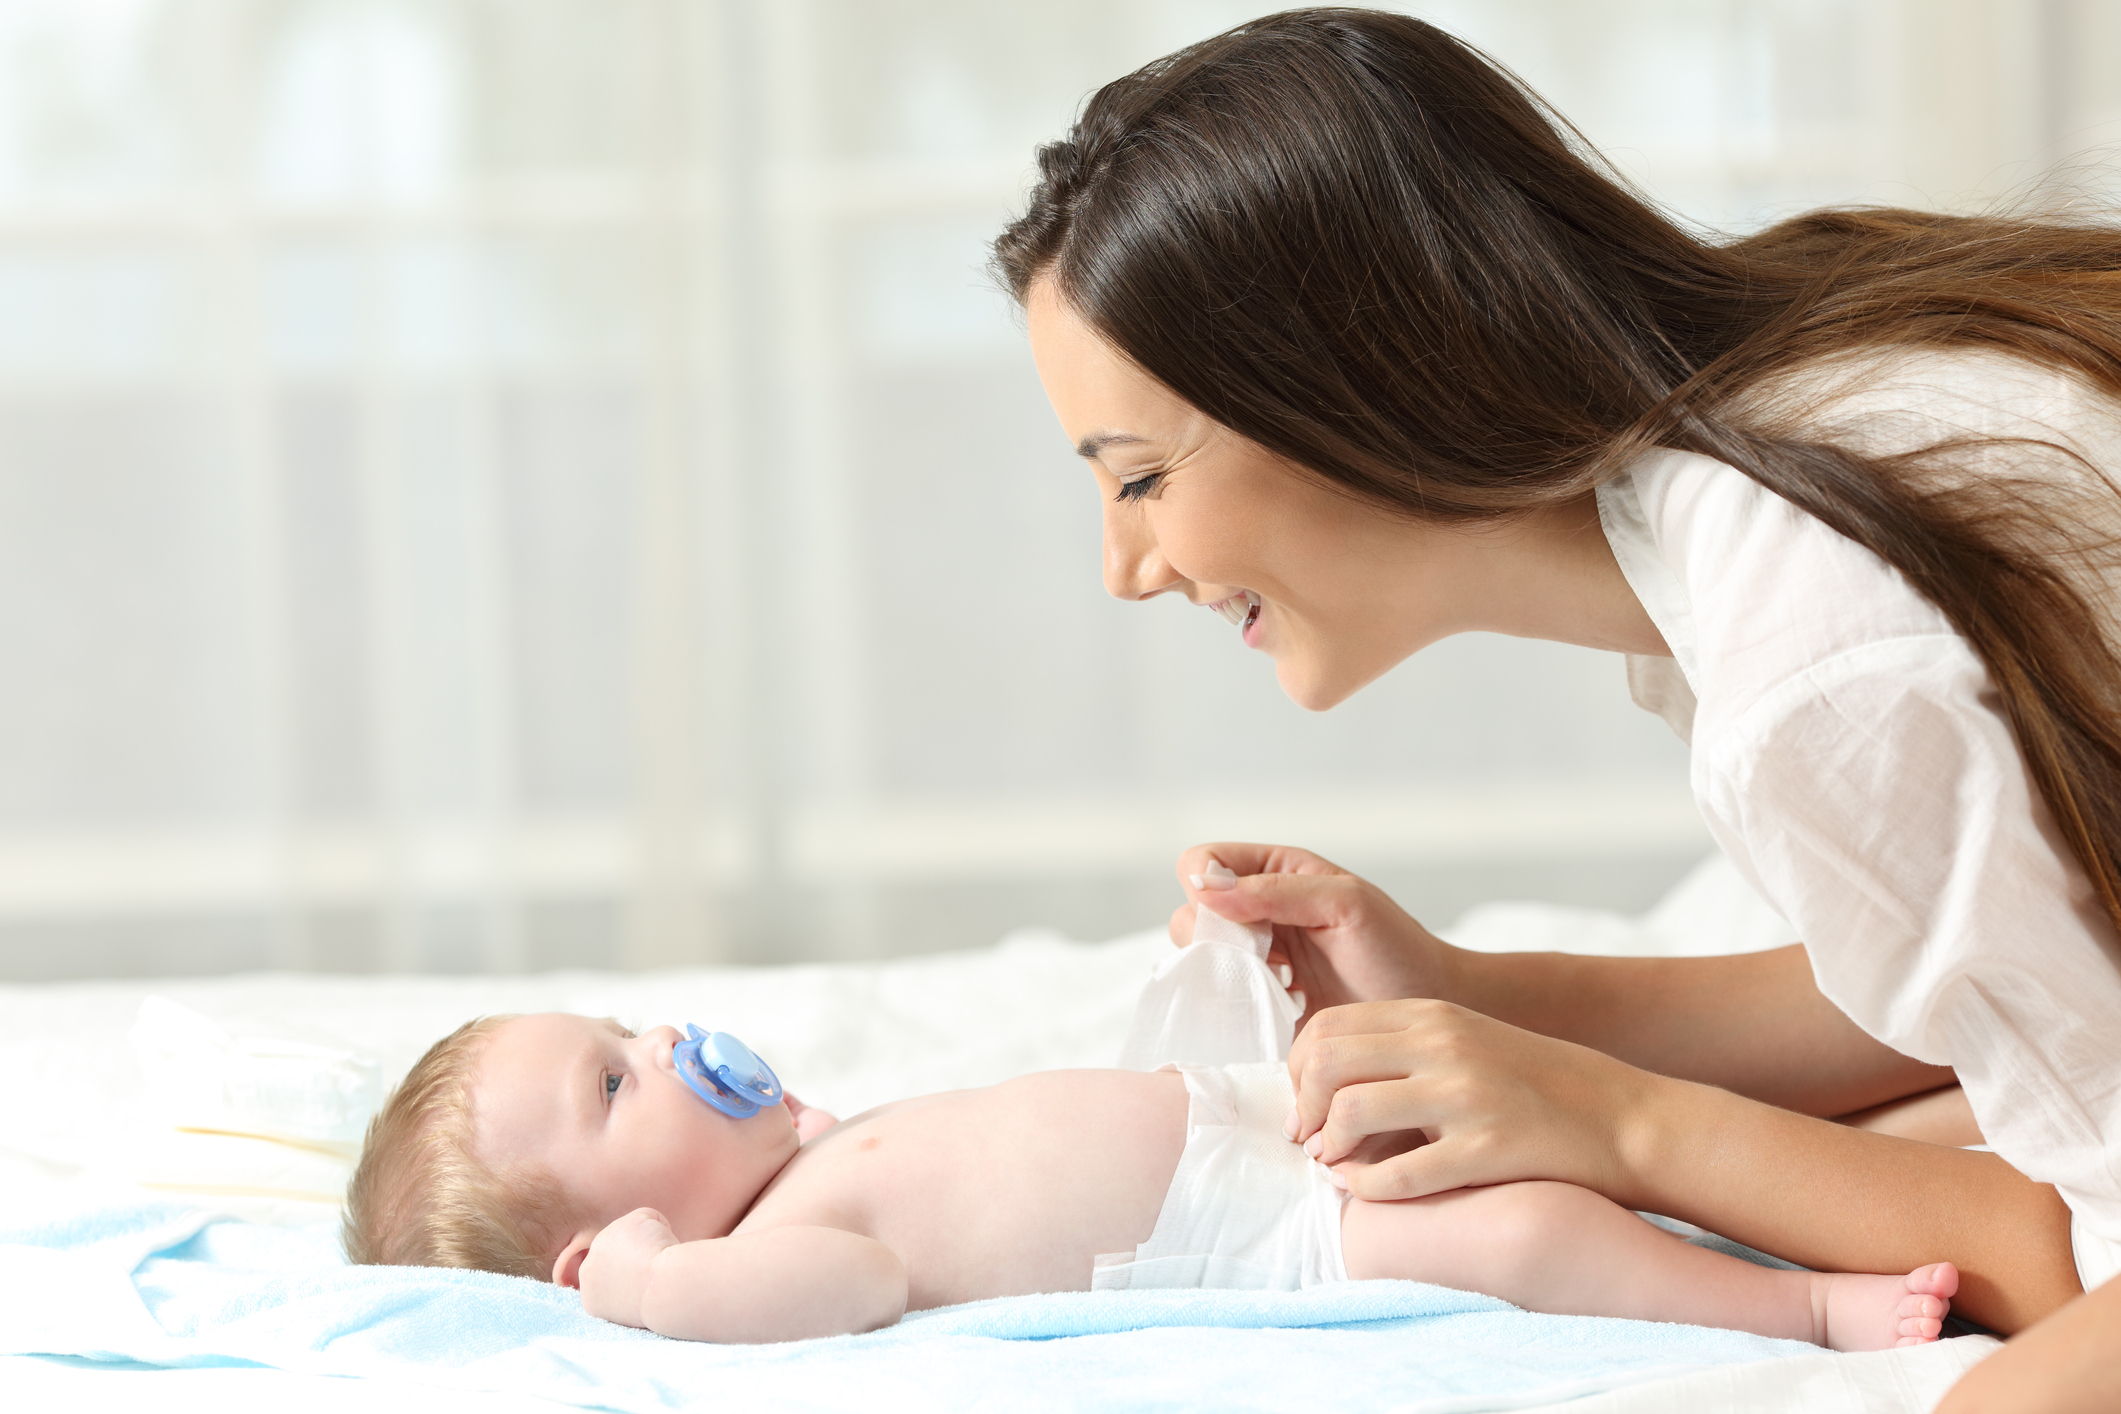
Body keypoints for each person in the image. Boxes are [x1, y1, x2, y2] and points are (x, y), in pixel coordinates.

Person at [990, 9, 2121, 1410]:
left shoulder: (1813, 644)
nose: (1124, 569)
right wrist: (1469, 998)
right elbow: (1995, 962)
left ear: (1345, 379)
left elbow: (2087, 1241)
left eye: (1139, 476)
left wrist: (1626, 1126)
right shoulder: (1776, 437)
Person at [341, 1009, 1958, 1348]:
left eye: (624, 1021)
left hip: (1245, 1121)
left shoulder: (820, 1152)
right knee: (1533, 1226)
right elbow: (847, 1296)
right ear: (601, 1238)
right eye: (614, 1078)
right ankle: (1808, 1302)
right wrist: (642, 1285)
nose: (671, 1036)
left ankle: (1888, 1136)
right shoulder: (792, 1236)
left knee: (1504, 1085)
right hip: (1265, 1230)